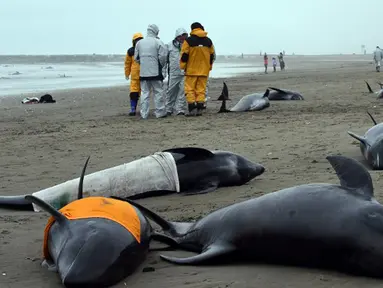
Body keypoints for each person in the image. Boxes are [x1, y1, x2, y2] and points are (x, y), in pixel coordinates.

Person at [180, 22, 215, 116]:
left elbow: (184, 55)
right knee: (201, 90)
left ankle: (192, 109)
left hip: (191, 70)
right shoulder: (208, 41)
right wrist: (209, 67)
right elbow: (212, 55)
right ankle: (200, 108)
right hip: (204, 70)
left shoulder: (188, 41)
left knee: (190, 89)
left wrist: (182, 67)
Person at [134, 24, 167, 119]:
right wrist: (161, 65)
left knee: (145, 93)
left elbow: (136, 58)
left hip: (143, 73)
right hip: (156, 72)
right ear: (156, 31)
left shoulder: (139, 43)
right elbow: (163, 57)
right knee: (158, 92)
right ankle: (160, 112)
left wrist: (143, 63)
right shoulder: (158, 42)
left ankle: (144, 113)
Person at [165, 28, 188, 116]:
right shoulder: (169, 45)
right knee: (171, 91)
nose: (183, 38)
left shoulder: (188, 45)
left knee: (183, 92)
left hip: (185, 72)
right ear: (177, 36)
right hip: (173, 73)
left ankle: (180, 110)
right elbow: (165, 59)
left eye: (184, 36)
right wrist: (163, 71)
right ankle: (168, 109)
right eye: (181, 36)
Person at [124, 32, 143, 116]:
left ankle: (143, 109)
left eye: (140, 40)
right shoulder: (131, 51)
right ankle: (133, 109)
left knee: (143, 94)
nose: (138, 42)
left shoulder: (145, 50)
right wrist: (127, 74)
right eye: (137, 40)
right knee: (133, 93)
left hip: (144, 75)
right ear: (134, 41)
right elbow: (127, 63)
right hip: (135, 76)